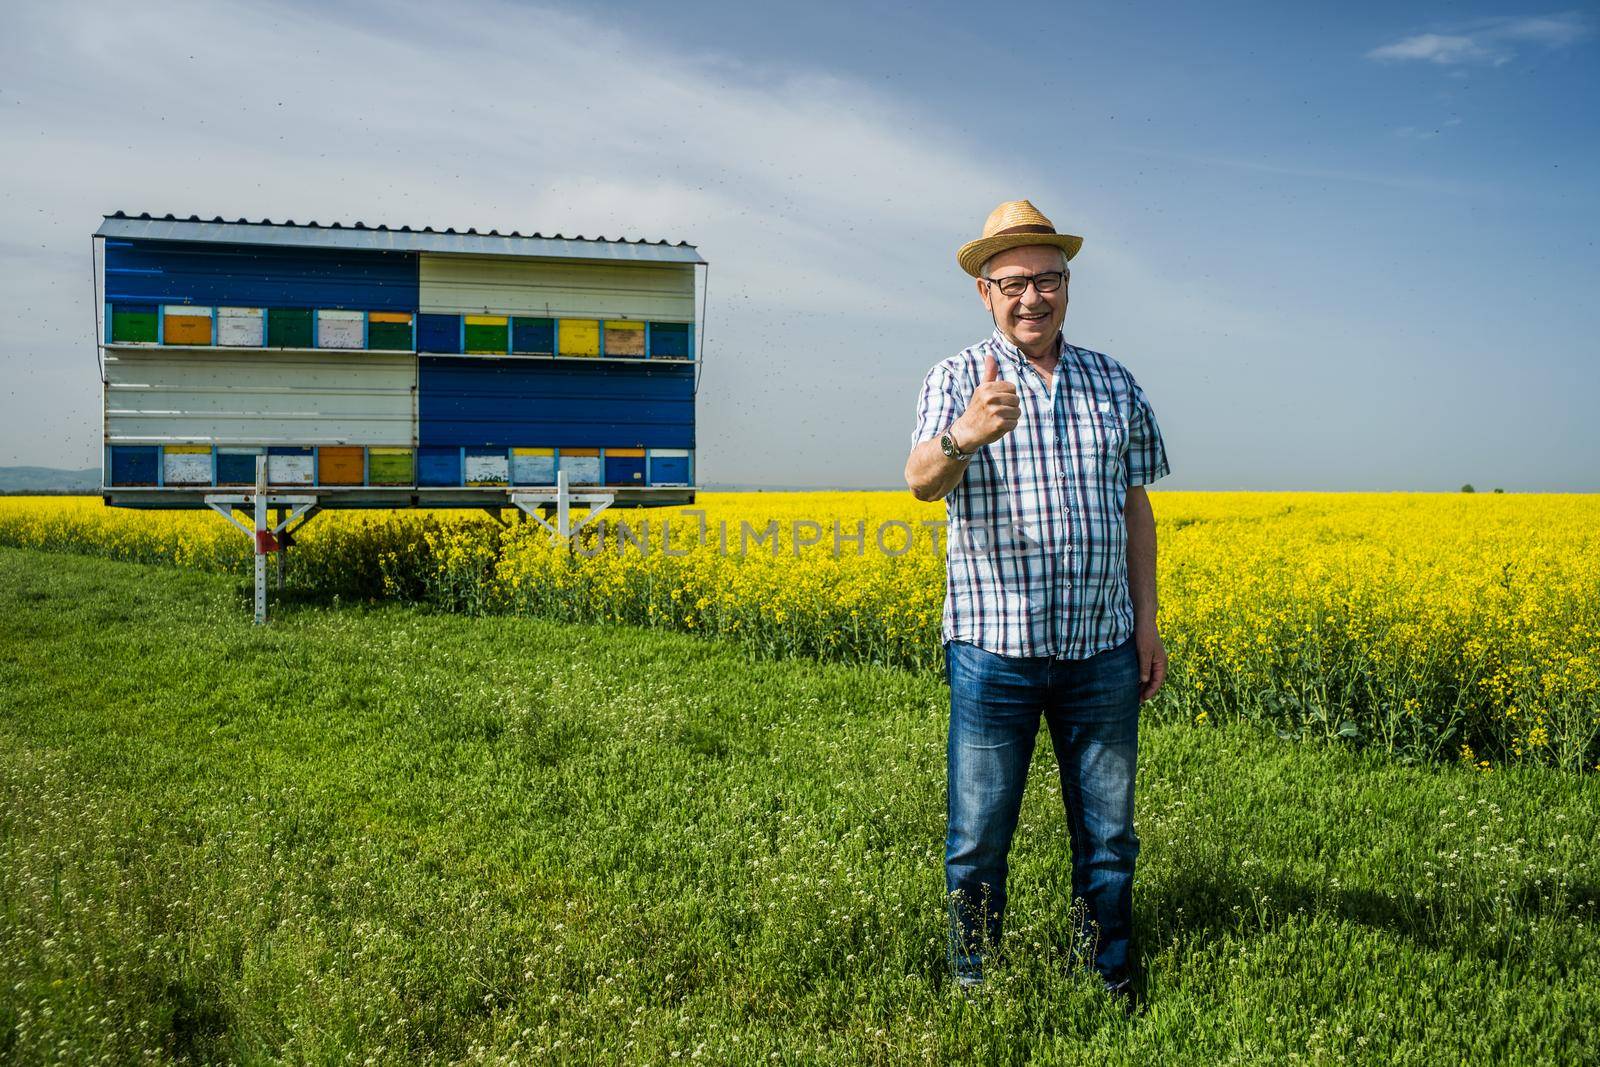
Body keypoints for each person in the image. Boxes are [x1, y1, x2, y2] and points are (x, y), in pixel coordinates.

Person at [904, 199, 1171, 1012]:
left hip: (1102, 649)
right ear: (984, 293)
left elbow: (1136, 508)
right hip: (995, 648)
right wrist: (965, 435)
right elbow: (920, 479)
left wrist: (1149, 622)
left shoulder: (1113, 381)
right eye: (1013, 282)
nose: (1032, 297)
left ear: (1067, 285)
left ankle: (1109, 972)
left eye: (1048, 279)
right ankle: (974, 977)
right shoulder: (955, 379)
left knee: (1110, 835)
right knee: (979, 834)